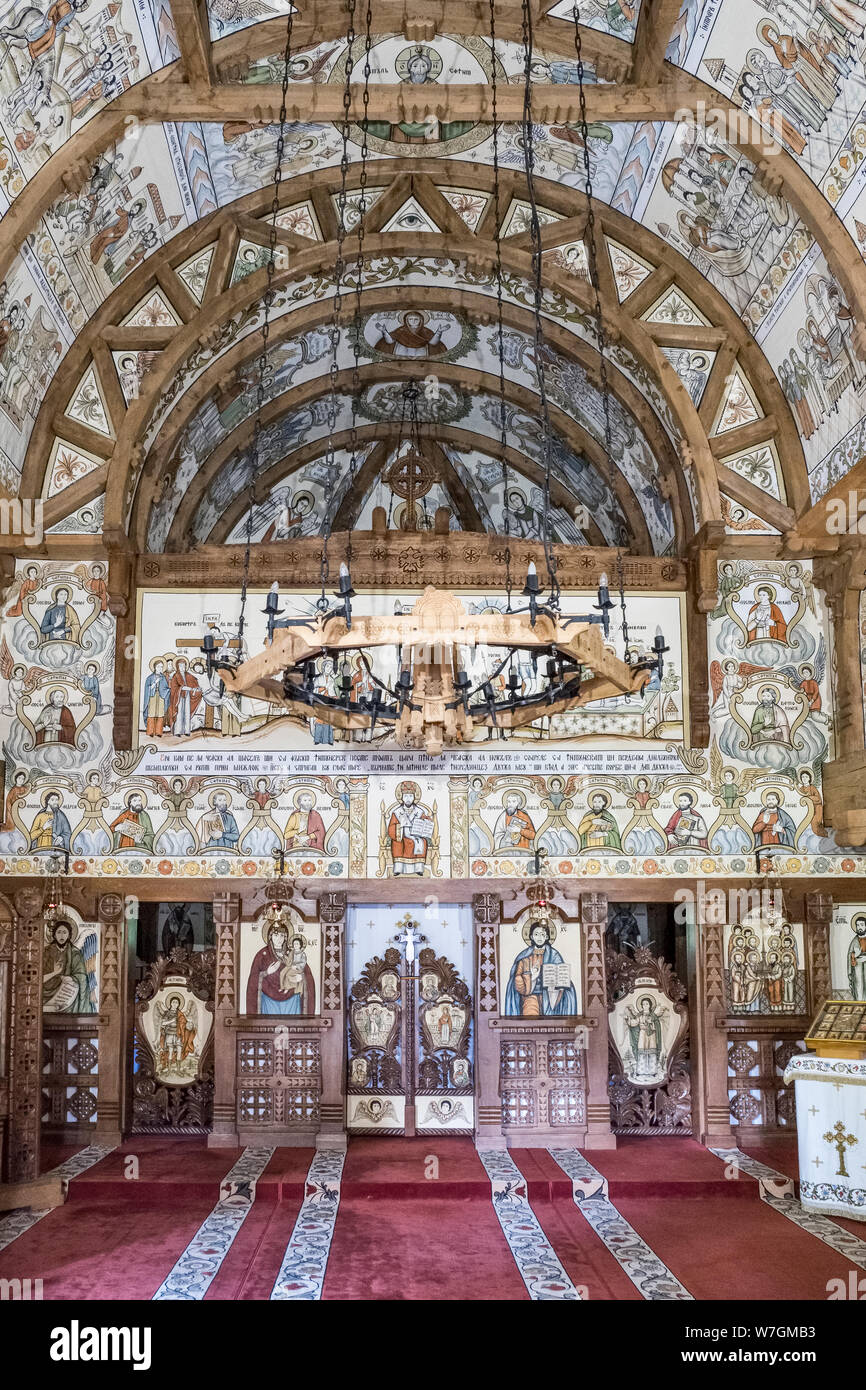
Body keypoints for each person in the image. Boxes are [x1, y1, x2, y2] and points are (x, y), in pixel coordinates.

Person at [504, 920, 577, 1017]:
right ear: (531, 936)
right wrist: (532, 977)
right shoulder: (524, 956)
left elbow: (562, 975)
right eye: (536, 934)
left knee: (551, 1021)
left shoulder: (554, 955)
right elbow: (517, 978)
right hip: (529, 995)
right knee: (530, 1017)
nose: (539, 937)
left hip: (550, 995)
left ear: (546, 937)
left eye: (542, 934)